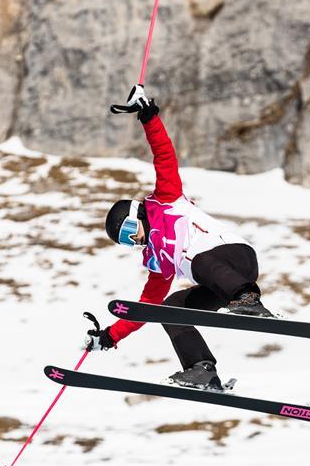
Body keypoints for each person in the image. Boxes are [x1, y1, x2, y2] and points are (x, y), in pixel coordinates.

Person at [85, 85, 274, 391]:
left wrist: (149, 118)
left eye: (130, 233)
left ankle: (248, 299)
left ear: (138, 215)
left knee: (197, 259)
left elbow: (164, 157)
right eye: (127, 242)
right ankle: (201, 369)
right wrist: (109, 336)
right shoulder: (159, 263)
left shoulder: (167, 201)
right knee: (169, 309)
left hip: (234, 259)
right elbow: (145, 307)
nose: (135, 242)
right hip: (218, 285)